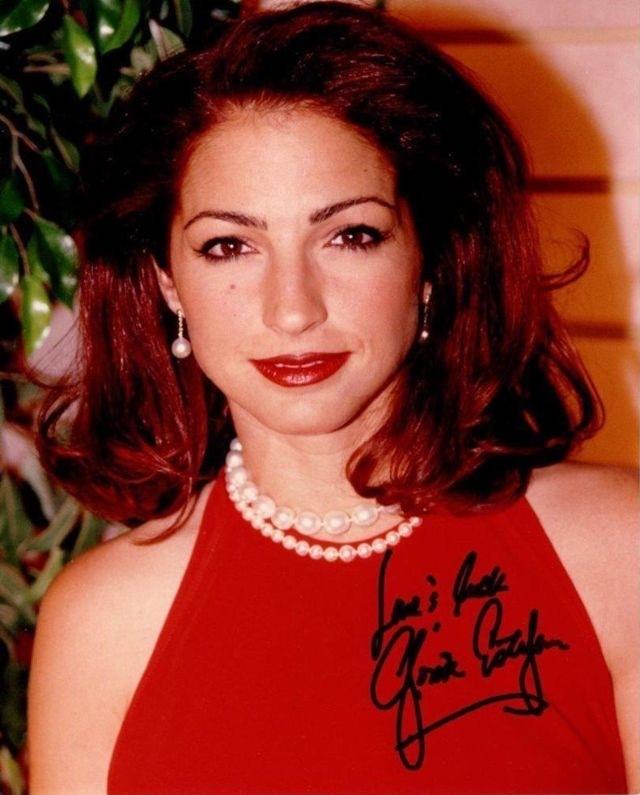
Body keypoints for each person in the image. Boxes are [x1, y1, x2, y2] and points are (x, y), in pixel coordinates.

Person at [26, 1, 638, 793]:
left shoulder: (616, 551)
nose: (292, 308)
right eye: (228, 245)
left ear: (432, 257)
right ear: (167, 282)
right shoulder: (101, 622)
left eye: (351, 235)